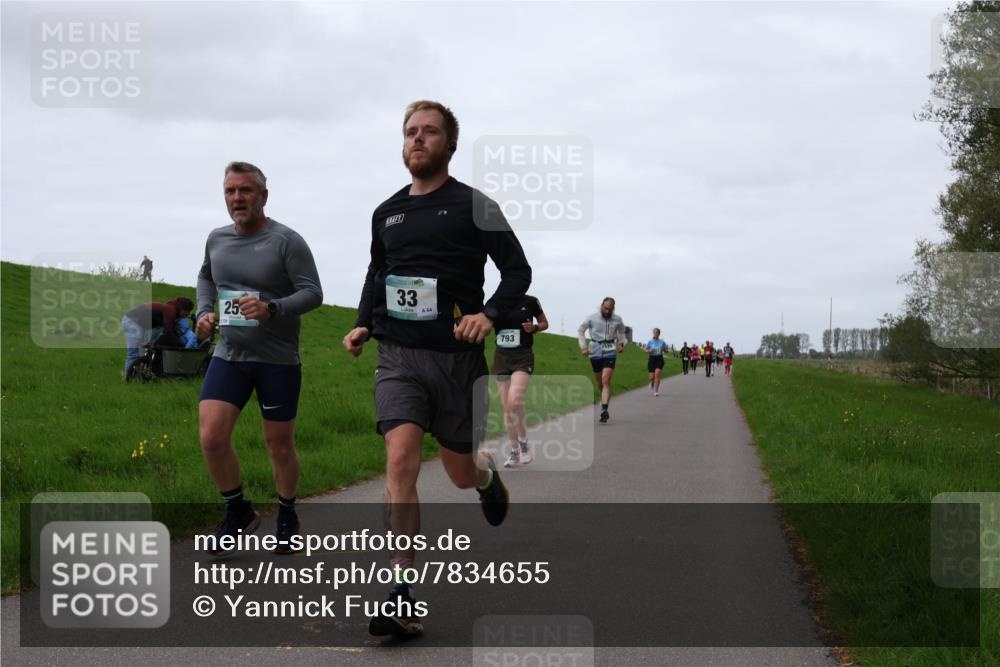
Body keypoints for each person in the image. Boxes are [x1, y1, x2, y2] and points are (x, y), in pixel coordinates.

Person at [342, 100, 531, 637]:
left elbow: (517, 271)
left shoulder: (475, 205)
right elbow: (378, 272)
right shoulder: (386, 212)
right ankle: (401, 591)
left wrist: (488, 315)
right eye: (410, 132)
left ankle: (486, 476)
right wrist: (363, 323)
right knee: (399, 459)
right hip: (398, 356)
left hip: (457, 360)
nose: (417, 139)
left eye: (429, 131)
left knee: (458, 472)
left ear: (450, 144)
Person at [195, 161, 324, 557]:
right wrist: (204, 312)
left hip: (277, 360)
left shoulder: (287, 241)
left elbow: (312, 293)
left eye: (245, 190)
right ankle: (237, 511)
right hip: (230, 354)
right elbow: (206, 277)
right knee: (212, 436)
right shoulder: (216, 239)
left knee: (278, 444)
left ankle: (287, 514)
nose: (237, 198)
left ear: (263, 196)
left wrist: (272, 308)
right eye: (230, 191)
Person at [493, 294, 548, 467]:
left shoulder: (531, 301)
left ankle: (524, 443)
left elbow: (545, 323)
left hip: (522, 357)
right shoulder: (495, 301)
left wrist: (534, 328)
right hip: (501, 357)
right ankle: (514, 451)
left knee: (514, 401)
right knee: (507, 408)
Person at [578, 298, 627, 423]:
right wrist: (583, 347)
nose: (607, 311)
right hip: (595, 350)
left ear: (613, 308)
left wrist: (621, 344)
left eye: (610, 309)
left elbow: (622, 332)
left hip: (610, 350)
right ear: (601, 306)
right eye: (605, 308)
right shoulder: (591, 318)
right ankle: (604, 398)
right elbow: (581, 330)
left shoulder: (617, 319)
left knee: (606, 380)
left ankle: (604, 409)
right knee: (600, 383)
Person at [121, 297, 193, 379]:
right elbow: (168, 333)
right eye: (188, 311)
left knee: (142, 353)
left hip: (140, 324)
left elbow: (169, 330)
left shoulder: (171, 308)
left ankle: (137, 376)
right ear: (183, 309)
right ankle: (127, 378)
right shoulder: (170, 310)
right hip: (132, 321)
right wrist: (182, 346)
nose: (188, 314)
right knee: (134, 353)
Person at [643, 328, 668, 396]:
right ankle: (652, 382)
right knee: (651, 377)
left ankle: (656, 391)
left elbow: (666, 351)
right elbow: (645, 349)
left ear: (659, 334)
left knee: (657, 374)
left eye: (656, 332)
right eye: (654, 332)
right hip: (652, 359)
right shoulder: (650, 342)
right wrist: (649, 351)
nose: (655, 334)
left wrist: (664, 349)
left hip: (659, 358)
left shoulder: (662, 342)